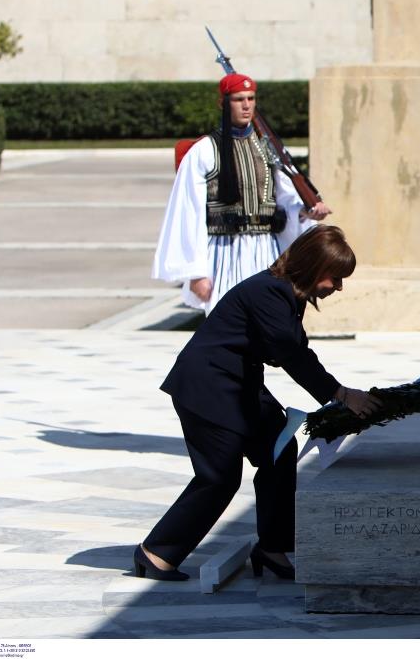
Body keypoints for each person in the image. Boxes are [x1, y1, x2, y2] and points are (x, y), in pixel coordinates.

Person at [135, 225, 380, 581]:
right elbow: (290, 353)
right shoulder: (270, 291)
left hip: (240, 386)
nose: (338, 287)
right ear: (313, 266)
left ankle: (272, 547)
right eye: (335, 278)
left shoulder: (286, 294)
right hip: (208, 387)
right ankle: (156, 552)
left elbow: (293, 349)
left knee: (279, 450)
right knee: (219, 477)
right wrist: (340, 394)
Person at [152, 73, 331, 314]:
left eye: (251, 98)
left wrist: (304, 210)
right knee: (228, 325)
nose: (247, 105)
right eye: (238, 99)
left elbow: (286, 198)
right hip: (225, 250)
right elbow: (189, 212)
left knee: (268, 324)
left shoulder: (267, 148)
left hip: (266, 250)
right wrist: (195, 274)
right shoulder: (204, 151)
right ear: (222, 104)